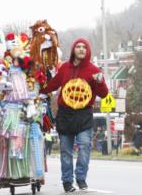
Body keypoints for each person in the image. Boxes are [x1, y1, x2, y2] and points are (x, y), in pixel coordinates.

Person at [40, 38, 108, 192]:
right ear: (73, 50)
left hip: (84, 114)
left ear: (88, 50)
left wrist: (100, 81)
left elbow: (104, 94)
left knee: (84, 146)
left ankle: (81, 178)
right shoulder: (64, 68)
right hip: (65, 114)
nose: (81, 49)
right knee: (66, 150)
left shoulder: (94, 70)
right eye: (78, 46)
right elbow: (53, 84)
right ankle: (67, 182)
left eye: (84, 47)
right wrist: (37, 90)